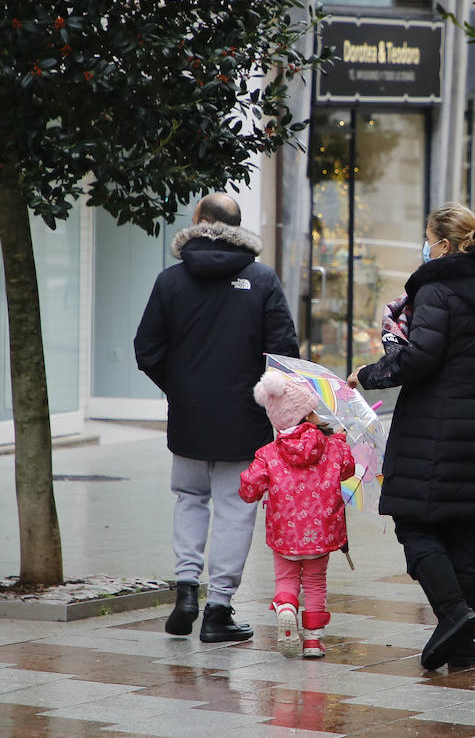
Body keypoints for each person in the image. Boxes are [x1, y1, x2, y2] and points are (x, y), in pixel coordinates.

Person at [347, 202, 475, 670]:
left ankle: (452, 614)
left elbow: (421, 356)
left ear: (443, 245)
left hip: (432, 430)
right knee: (468, 536)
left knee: (415, 521)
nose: (424, 248)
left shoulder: (436, 289)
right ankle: (462, 649)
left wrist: (370, 373)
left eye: (427, 239)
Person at [133, 192, 299, 643]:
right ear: (237, 227)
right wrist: (263, 398)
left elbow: (146, 350)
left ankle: (186, 590)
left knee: (189, 498)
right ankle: (219, 608)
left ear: (197, 221)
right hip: (244, 421)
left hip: (187, 417)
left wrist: (181, 388)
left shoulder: (170, 281)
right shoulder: (261, 280)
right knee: (234, 511)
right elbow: (284, 356)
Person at [241, 369, 356, 659]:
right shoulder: (331, 446)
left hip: (284, 533)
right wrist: (341, 445)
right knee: (316, 583)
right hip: (322, 533)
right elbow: (348, 470)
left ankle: (286, 606)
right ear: (307, 416)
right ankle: (313, 641)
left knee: (286, 580)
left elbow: (249, 490)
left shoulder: (267, 453)